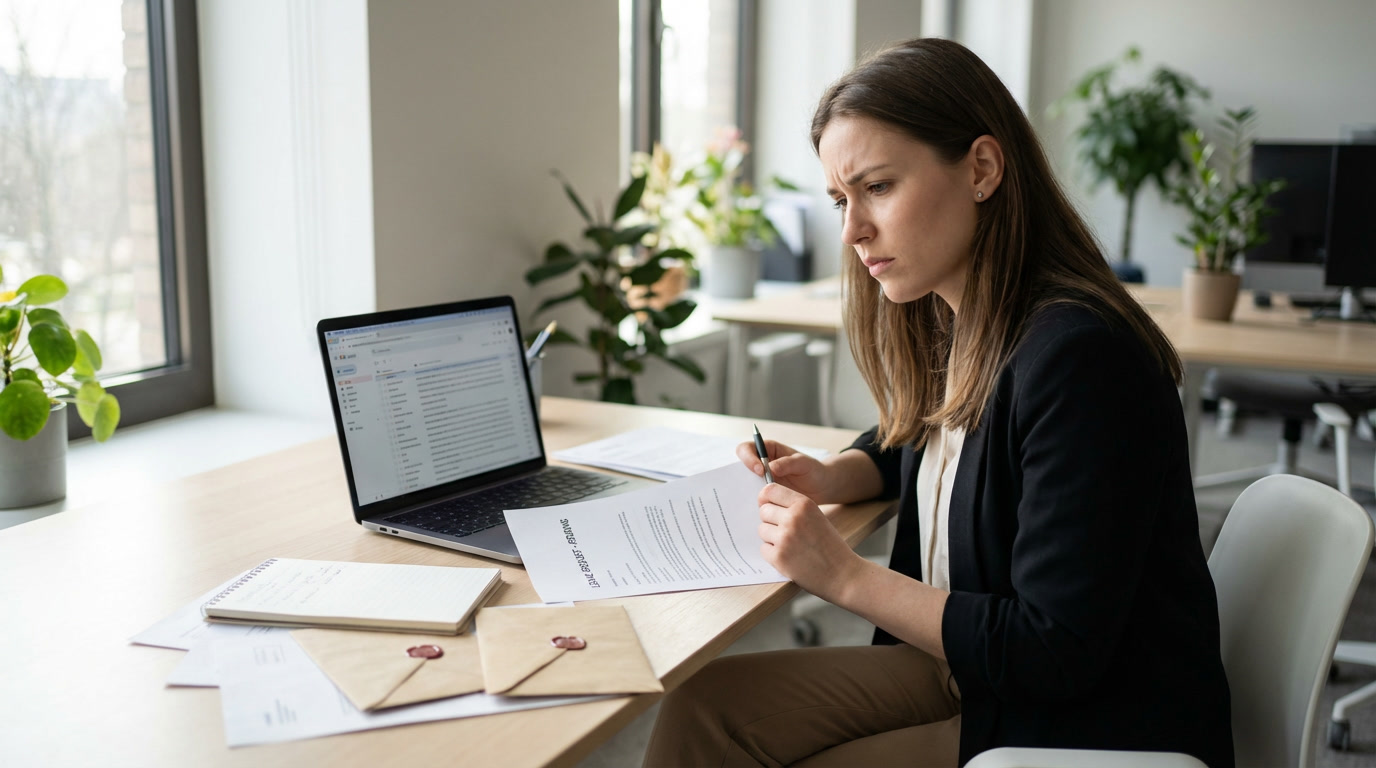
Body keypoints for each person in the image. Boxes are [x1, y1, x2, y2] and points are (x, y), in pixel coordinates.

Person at [643, 38, 1233, 768]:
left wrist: (844, 575)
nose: (852, 230)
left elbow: (1056, 652)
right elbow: (945, 439)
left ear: (982, 169)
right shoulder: (972, 317)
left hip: (1070, 718)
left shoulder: (1081, 358)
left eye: (878, 188)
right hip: (971, 667)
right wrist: (840, 473)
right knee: (705, 705)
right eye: (840, 200)